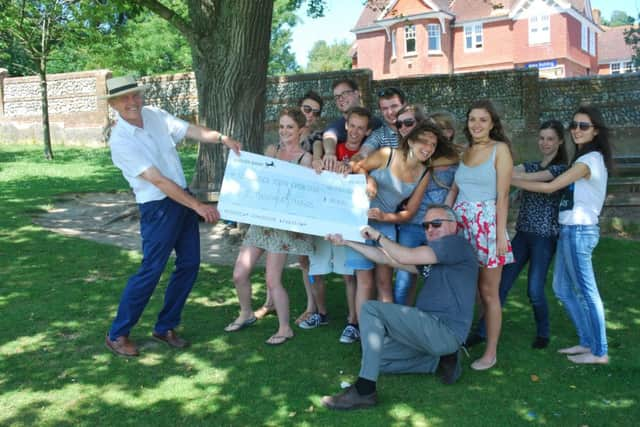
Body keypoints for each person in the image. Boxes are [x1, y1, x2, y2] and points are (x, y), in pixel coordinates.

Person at [103, 75, 241, 357]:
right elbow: (158, 181)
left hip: (181, 200)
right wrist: (198, 206)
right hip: (158, 208)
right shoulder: (120, 142)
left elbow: (191, 130)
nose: (132, 102)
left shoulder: (153, 115)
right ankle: (118, 334)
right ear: (114, 104)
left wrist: (221, 138)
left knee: (189, 264)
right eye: (124, 98)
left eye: (135, 95)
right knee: (151, 271)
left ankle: (165, 326)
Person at [320, 204, 478, 410]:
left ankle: (365, 391)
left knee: (370, 309)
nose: (430, 229)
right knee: (377, 356)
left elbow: (404, 256)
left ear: (454, 226)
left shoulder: (456, 244)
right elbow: (387, 258)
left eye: (436, 224)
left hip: (443, 329)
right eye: (426, 225)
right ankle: (441, 360)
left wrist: (378, 236)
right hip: (430, 332)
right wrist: (347, 242)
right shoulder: (435, 256)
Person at [511, 106, 612, 365]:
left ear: (595, 130)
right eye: (574, 125)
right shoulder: (583, 159)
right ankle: (586, 342)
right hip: (568, 230)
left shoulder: (589, 161)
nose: (577, 130)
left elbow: (550, 187)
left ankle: (599, 351)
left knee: (588, 292)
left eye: (584, 126)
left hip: (580, 231)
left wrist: (508, 180)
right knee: (562, 289)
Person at [469, 120, 568, 349]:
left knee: (534, 289)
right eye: (542, 138)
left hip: (544, 237)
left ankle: (543, 332)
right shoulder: (531, 165)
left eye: (550, 138)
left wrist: (504, 176)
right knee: (500, 284)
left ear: (560, 141)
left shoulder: (560, 169)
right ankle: (482, 332)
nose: (545, 143)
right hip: (522, 235)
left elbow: (536, 180)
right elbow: (517, 172)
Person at [224, 107, 314, 345]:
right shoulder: (271, 151)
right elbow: (256, 181)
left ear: (301, 130)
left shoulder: (305, 159)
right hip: (261, 221)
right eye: (282, 126)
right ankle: (246, 313)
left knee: (273, 279)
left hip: (282, 226)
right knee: (239, 273)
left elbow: (305, 196)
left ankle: (285, 328)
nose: (284, 131)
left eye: (290, 127)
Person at [346, 122, 441, 331]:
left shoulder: (425, 173)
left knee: (384, 282)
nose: (428, 148)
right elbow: (357, 167)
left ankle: (385, 329)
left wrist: (385, 216)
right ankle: (362, 331)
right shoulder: (387, 154)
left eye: (433, 145)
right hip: (359, 219)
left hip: (385, 223)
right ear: (412, 140)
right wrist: (369, 180)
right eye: (424, 141)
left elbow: (409, 213)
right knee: (364, 280)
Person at [445, 100, 514, 371]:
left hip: (486, 227)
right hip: (461, 226)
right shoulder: (465, 151)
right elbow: (454, 189)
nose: (477, 124)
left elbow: (503, 196)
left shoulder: (501, 150)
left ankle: (491, 352)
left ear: (493, 123)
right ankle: (462, 338)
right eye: (472, 119)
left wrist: (499, 236)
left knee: (488, 292)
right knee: (465, 289)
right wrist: (444, 220)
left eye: (483, 120)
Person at [299, 107, 372, 343]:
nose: (356, 131)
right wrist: (319, 160)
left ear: (367, 130)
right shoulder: (334, 147)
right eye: (353, 126)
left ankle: (353, 322)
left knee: (348, 274)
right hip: (321, 218)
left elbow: (368, 179)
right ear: (346, 125)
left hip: (348, 223)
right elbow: (315, 148)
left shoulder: (368, 152)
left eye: (361, 128)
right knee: (316, 268)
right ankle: (321, 313)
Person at [393, 110, 460, 306]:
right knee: (405, 277)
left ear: (450, 133)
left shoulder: (457, 160)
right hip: (412, 224)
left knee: (439, 277)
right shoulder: (420, 157)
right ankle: (401, 319)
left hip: (440, 228)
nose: (437, 134)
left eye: (443, 129)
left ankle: (438, 320)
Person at [315, 78, 382, 172]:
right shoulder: (336, 125)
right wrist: (330, 153)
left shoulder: (377, 124)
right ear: (347, 125)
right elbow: (327, 136)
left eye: (344, 93)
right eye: (337, 96)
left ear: (357, 93)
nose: (340, 98)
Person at [355, 87, 407, 158]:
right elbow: (363, 153)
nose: (390, 112)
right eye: (385, 108)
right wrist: (356, 161)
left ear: (404, 105)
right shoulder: (379, 135)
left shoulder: (418, 127)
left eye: (394, 106)